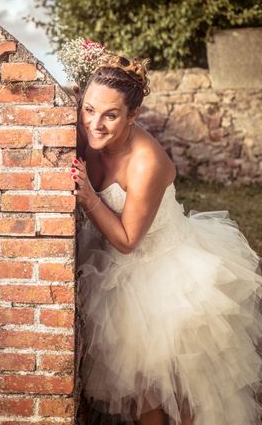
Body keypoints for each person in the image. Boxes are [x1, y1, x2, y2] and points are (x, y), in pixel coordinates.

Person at [72, 54, 262, 425]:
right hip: (113, 274)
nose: (95, 124)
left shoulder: (147, 161)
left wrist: (89, 197)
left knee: (183, 392)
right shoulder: (85, 133)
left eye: (110, 115)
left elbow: (128, 240)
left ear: (133, 115)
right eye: (89, 109)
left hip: (164, 276)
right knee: (144, 395)